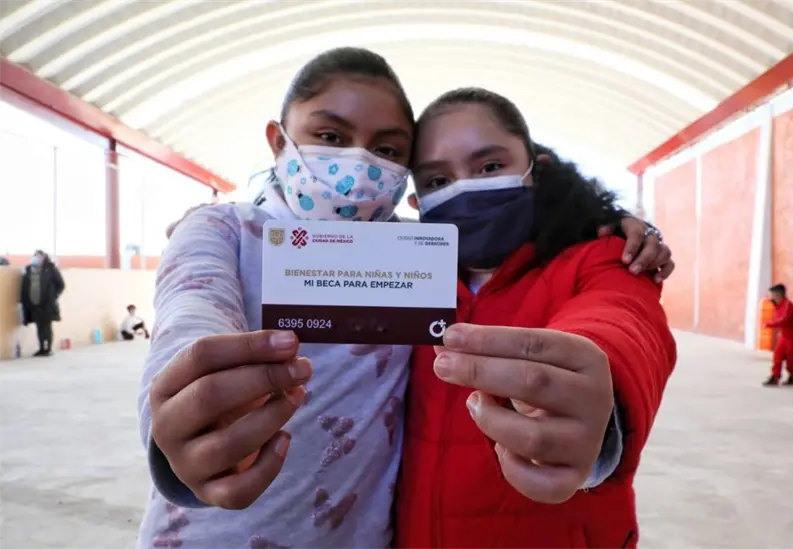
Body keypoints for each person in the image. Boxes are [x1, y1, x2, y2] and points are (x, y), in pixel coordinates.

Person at [139, 48, 674, 549]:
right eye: (329, 135)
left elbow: (616, 319)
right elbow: (192, 309)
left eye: (387, 150)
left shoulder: (418, 259)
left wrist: (592, 392)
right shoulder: (228, 234)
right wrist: (185, 407)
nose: (357, 163)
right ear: (279, 141)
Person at [394, 88, 677, 548]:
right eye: (437, 181)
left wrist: (591, 387)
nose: (464, 188)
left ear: (534, 171)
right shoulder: (399, 277)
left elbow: (622, 319)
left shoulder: (602, 258)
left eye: (489, 167)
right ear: (416, 204)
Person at [20, 250, 64, 357]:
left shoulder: (51, 269)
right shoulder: (30, 270)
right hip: (35, 303)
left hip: (47, 304)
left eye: (39, 257)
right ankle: (41, 348)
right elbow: (25, 285)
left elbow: (61, 284)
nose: (37, 258)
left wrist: (53, 295)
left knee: (46, 327)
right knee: (39, 327)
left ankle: (47, 348)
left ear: (44, 258)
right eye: (35, 256)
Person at [763, 283, 793, 386]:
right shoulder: (778, 304)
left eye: (771, 295)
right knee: (777, 355)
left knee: (790, 359)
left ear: (778, 296)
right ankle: (775, 377)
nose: (770, 297)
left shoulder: (788, 306)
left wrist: (768, 324)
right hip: (784, 335)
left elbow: (784, 320)